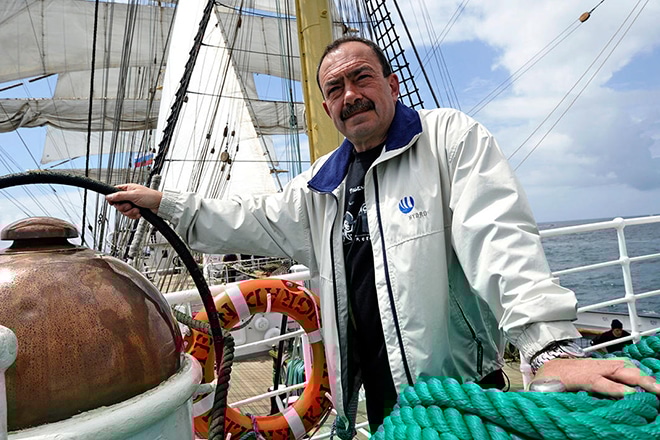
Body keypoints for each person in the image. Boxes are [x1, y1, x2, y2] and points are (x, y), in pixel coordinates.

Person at [107, 36, 660, 434]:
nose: (350, 94)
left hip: (459, 396)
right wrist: (166, 205)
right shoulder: (319, 188)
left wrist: (549, 346)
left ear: (392, 84)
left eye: (361, 78)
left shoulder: (448, 141)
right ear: (327, 107)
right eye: (335, 88)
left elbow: (499, 240)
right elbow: (246, 217)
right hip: (372, 403)